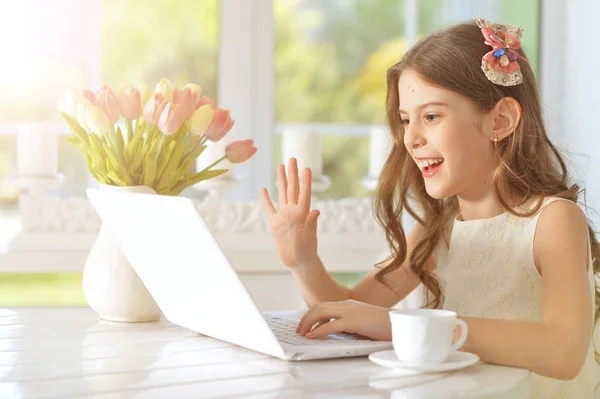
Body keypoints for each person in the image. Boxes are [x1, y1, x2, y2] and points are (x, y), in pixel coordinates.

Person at [261, 19, 600, 398]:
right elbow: (350, 312)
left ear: (500, 121)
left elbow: (564, 351)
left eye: (431, 116)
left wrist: (400, 324)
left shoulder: (552, 221)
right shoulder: (436, 230)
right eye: (406, 120)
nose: (411, 138)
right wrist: (303, 262)